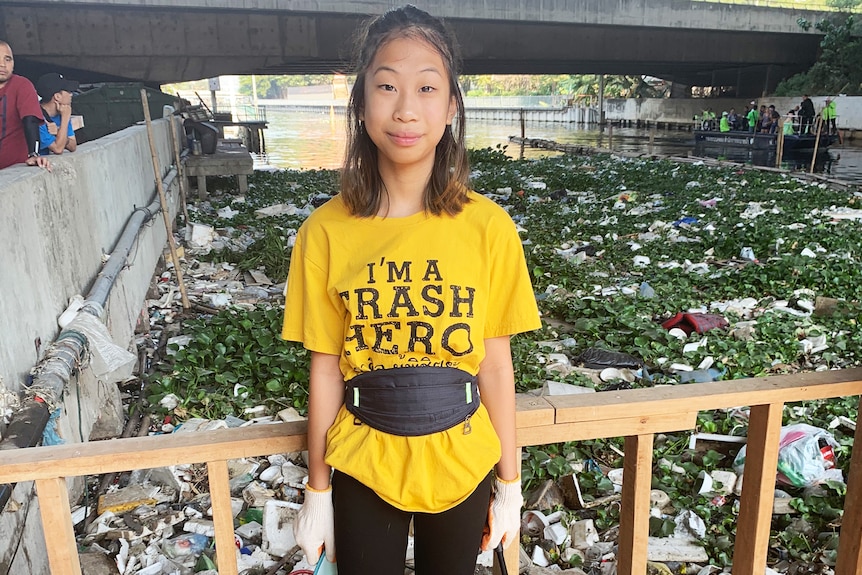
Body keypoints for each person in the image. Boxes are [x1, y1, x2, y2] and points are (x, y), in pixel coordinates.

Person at [282, 6, 541, 575]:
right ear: (361, 103)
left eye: (426, 87)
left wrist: (510, 485)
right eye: (386, 86)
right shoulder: (324, 232)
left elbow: (495, 367)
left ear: (450, 107)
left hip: (464, 454)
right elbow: (326, 369)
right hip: (362, 455)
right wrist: (317, 491)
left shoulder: (489, 227)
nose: (405, 109)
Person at [0, 40, 50, 170]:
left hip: (13, 169)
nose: (2, 65)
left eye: (7, 59)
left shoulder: (22, 85)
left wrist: (34, 153)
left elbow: (30, 120)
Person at [36, 72, 78, 155]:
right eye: (68, 91)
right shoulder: (37, 117)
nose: (71, 94)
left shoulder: (62, 113)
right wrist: (65, 119)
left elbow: (73, 146)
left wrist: (58, 131)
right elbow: (58, 149)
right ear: (57, 97)